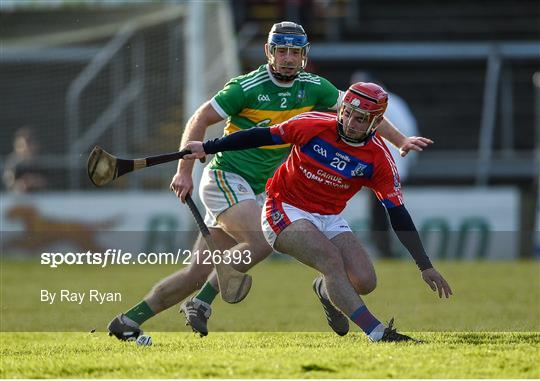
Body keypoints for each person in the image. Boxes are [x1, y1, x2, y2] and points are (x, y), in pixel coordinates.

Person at [107, 22, 432, 340]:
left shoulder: (315, 87)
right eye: (281, 51)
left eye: (295, 51)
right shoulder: (246, 87)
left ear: (304, 54)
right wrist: (184, 172)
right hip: (226, 176)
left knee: (196, 272)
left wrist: (400, 140)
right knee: (260, 241)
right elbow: (202, 118)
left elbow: (363, 108)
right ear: (268, 52)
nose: (288, 58)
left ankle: (127, 321)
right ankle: (203, 302)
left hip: (260, 189)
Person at [182, 82, 452, 342]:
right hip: (283, 207)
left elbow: (398, 214)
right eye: (347, 113)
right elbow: (260, 136)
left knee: (365, 281)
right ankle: (377, 332)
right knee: (330, 260)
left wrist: (424, 265)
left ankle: (325, 289)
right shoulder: (313, 124)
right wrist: (207, 146)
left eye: (360, 119)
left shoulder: (379, 159)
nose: (350, 122)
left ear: (375, 123)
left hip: (329, 217)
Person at [3, 127, 48, 193]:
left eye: (26, 145)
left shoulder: (47, 161)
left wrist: (36, 181)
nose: (23, 149)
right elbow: (8, 184)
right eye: (19, 145)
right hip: (18, 200)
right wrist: (21, 185)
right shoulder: (12, 162)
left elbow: (55, 184)